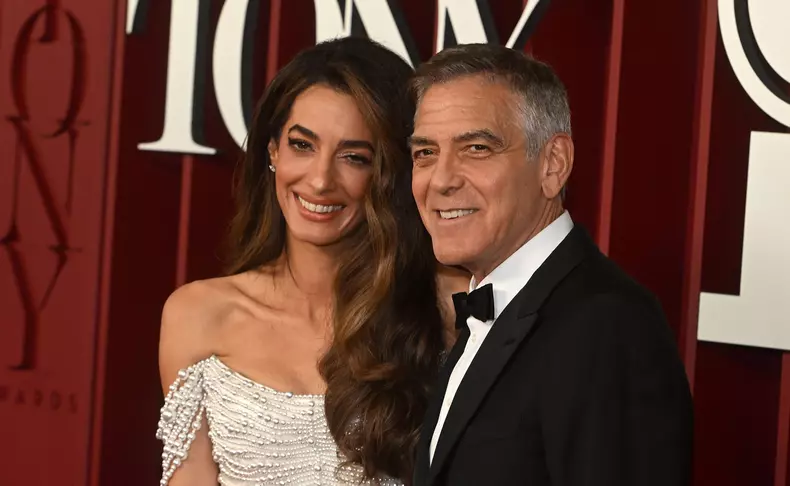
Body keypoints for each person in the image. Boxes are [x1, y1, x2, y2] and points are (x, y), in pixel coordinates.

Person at [156, 37, 466, 486]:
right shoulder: (198, 315)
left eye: (354, 157)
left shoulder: (445, 308)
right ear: (272, 151)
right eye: (302, 145)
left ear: (390, 172)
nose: (320, 180)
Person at [409, 44, 694, 486]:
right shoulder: (493, 305)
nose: (441, 179)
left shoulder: (606, 326)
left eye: (477, 148)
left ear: (553, 164)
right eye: (425, 153)